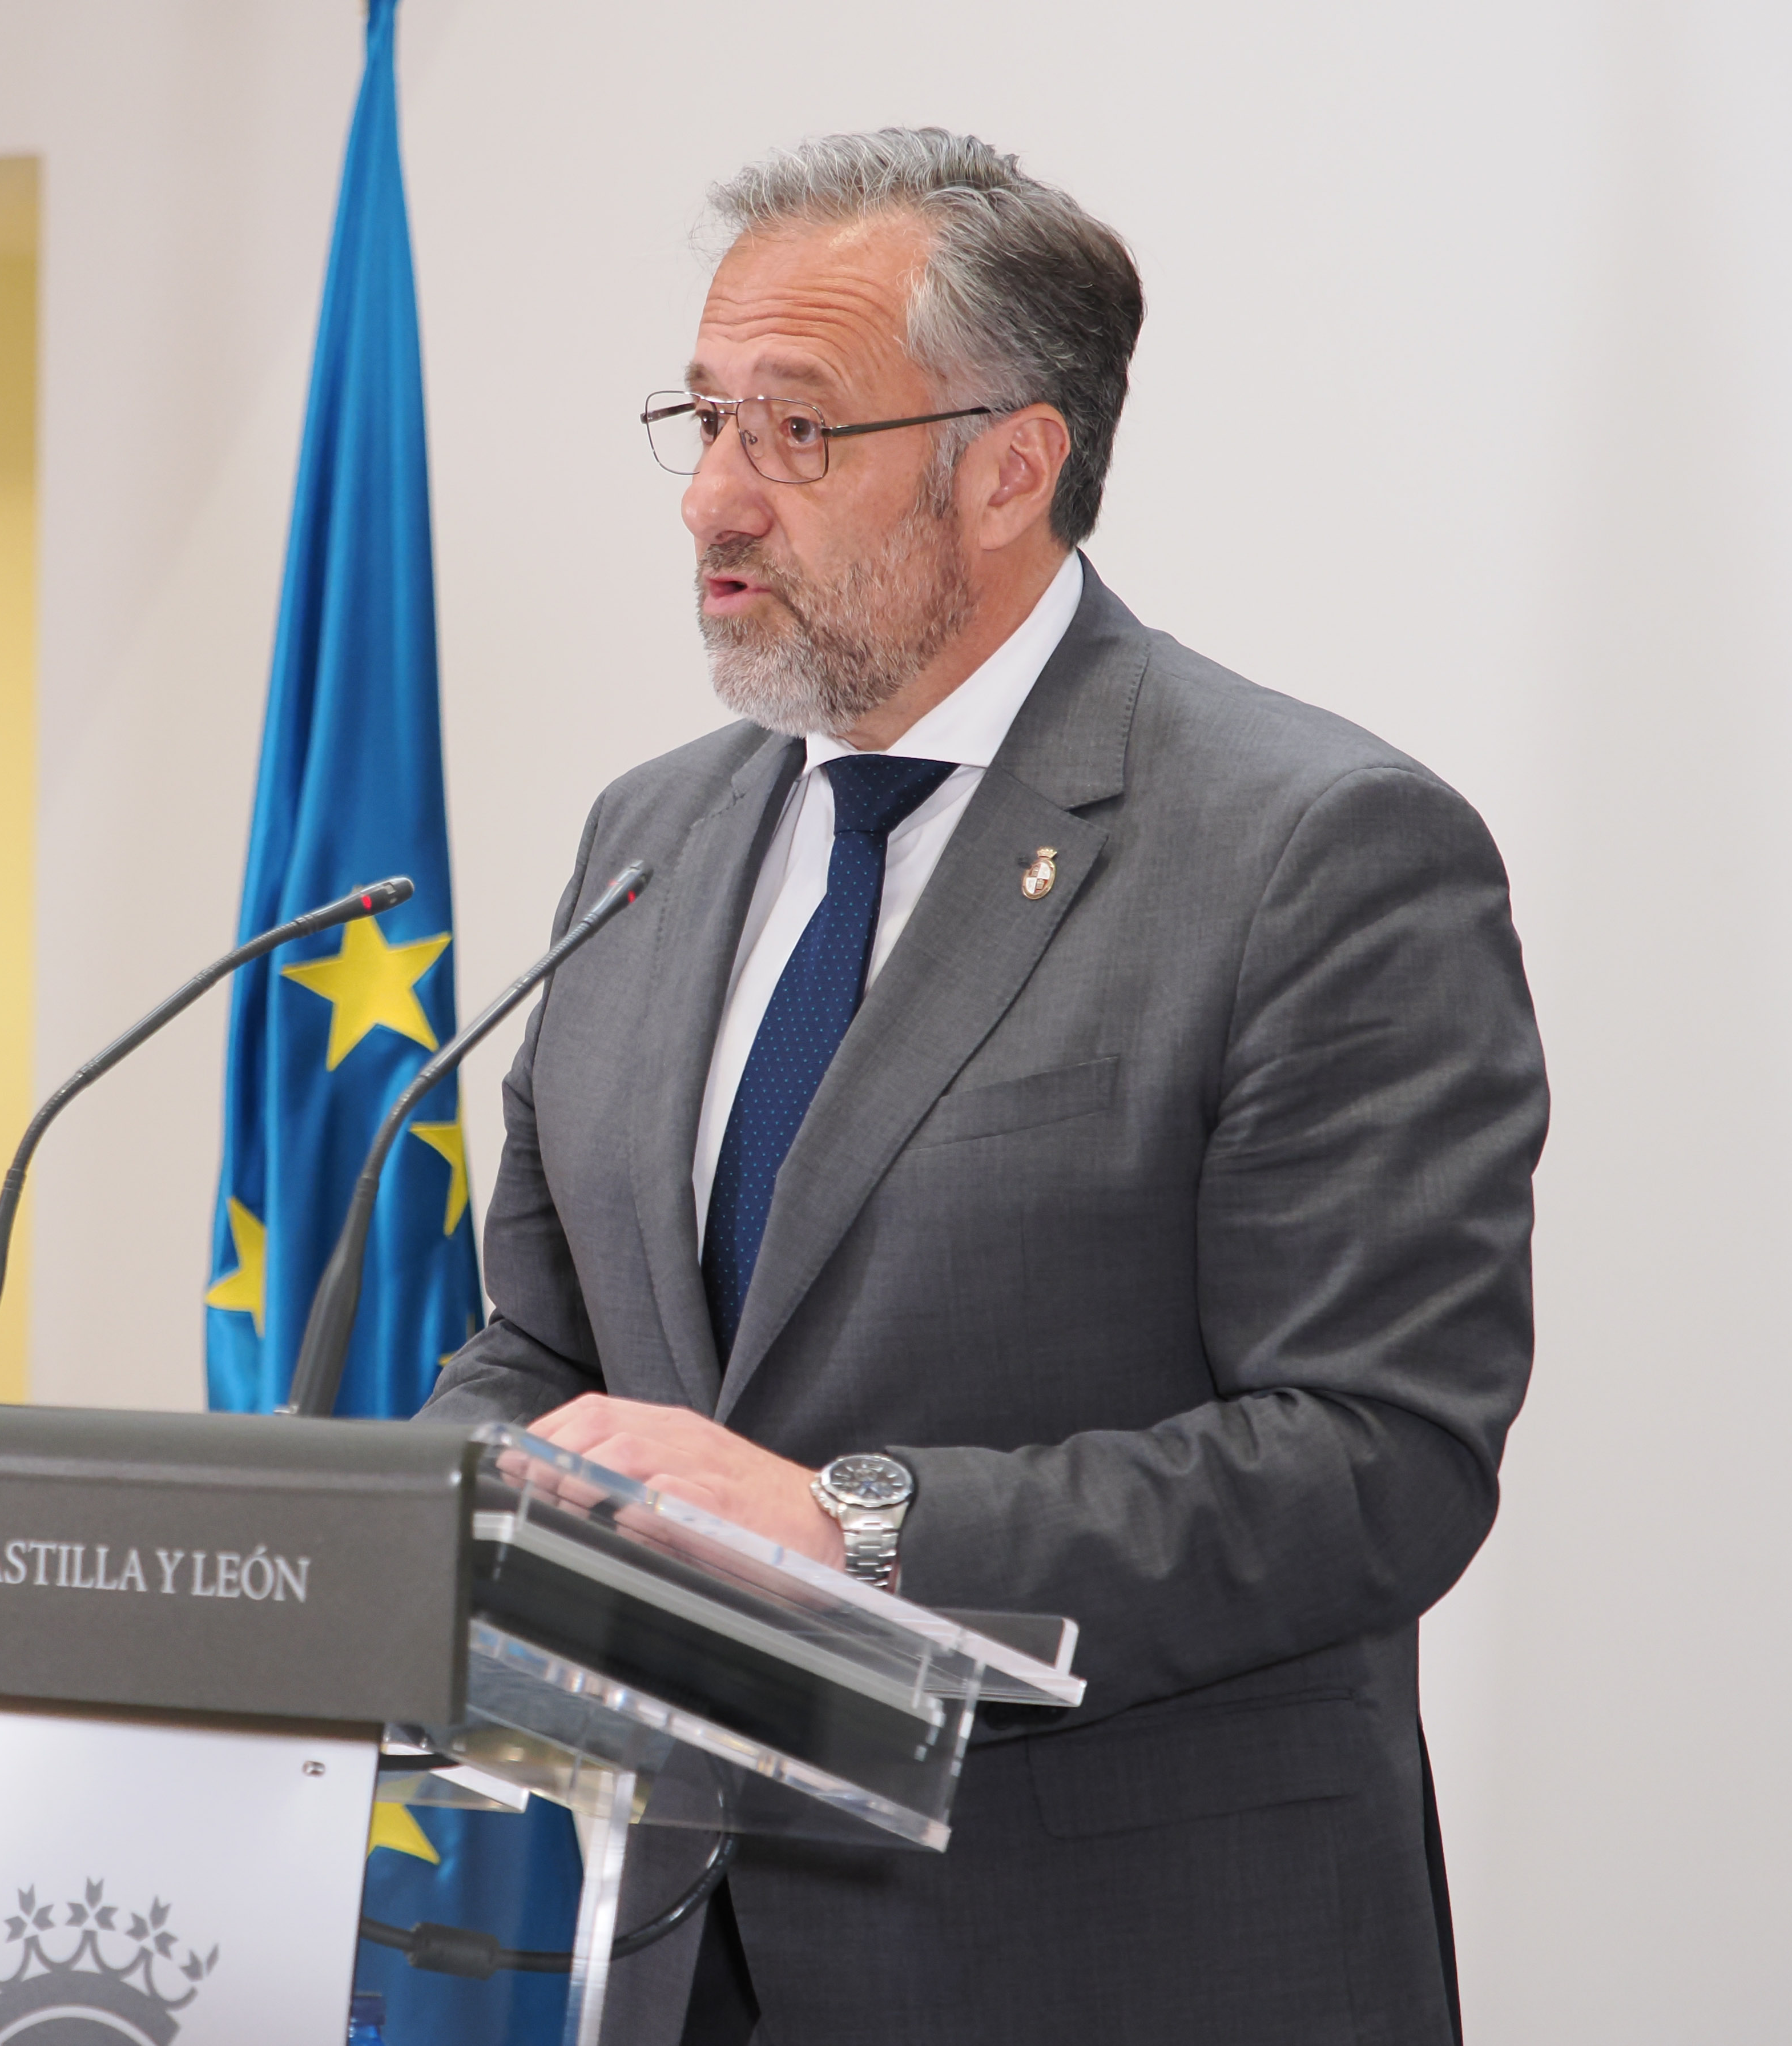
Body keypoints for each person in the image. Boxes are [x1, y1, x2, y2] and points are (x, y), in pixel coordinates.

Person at [421, 128, 1545, 2046]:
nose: (714, 497)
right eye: (700, 420)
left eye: (795, 432)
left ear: (1011, 465)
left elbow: (1379, 1462)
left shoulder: (1313, 848)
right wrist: (406, 1517)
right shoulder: (651, 841)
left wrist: (845, 1524)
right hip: (692, 1960)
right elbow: (546, 1345)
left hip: (1133, 1959)